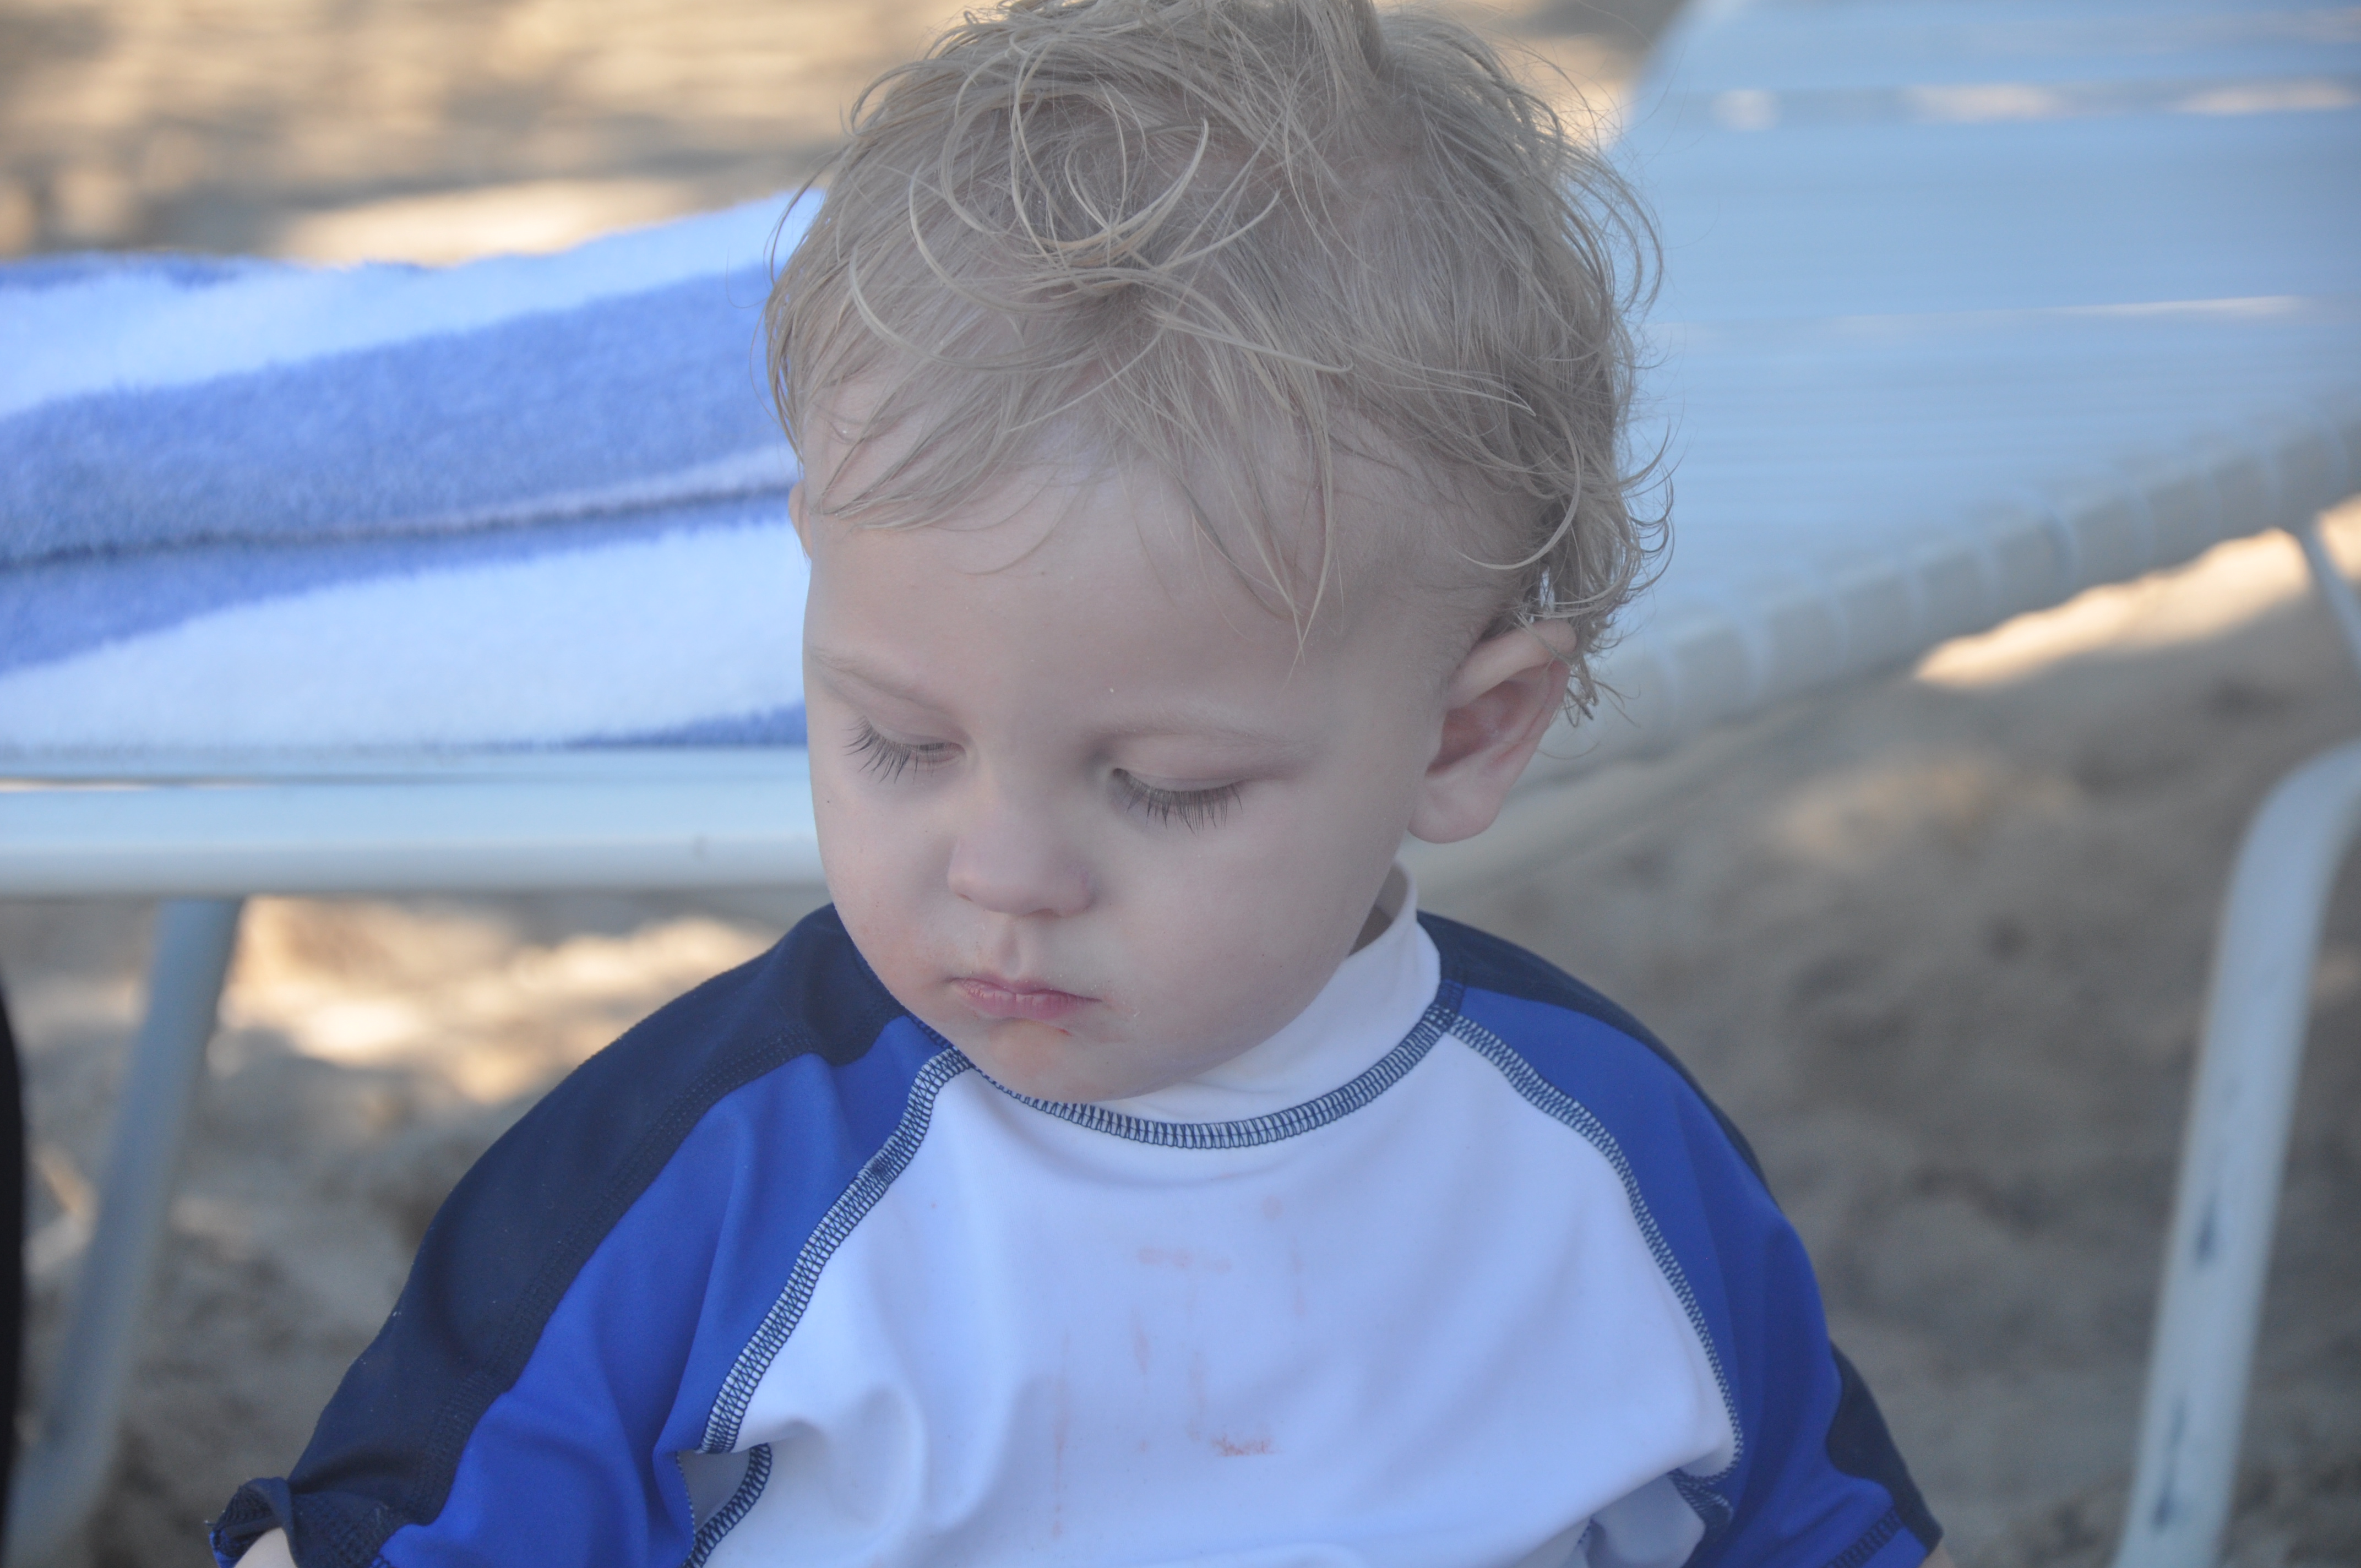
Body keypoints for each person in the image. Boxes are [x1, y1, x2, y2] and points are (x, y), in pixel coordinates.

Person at [216, 0, 1953, 1561]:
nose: (1002, 870)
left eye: (1164, 784)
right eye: (903, 742)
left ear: (1463, 736)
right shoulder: (717, 1171)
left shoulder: (1598, 1156)